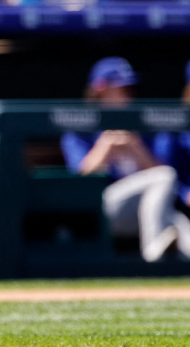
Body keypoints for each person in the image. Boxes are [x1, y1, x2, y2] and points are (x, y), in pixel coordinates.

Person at [62, 58, 190, 262]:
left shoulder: (140, 124)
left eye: (131, 88)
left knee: (183, 230)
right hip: (105, 207)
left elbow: (167, 176)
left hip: (150, 211)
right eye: (123, 88)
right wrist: (105, 146)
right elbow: (80, 176)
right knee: (164, 182)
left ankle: (162, 255)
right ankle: (153, 252)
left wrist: (136, 147)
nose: (129, 94)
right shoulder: (81, 128)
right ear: (101, 88)